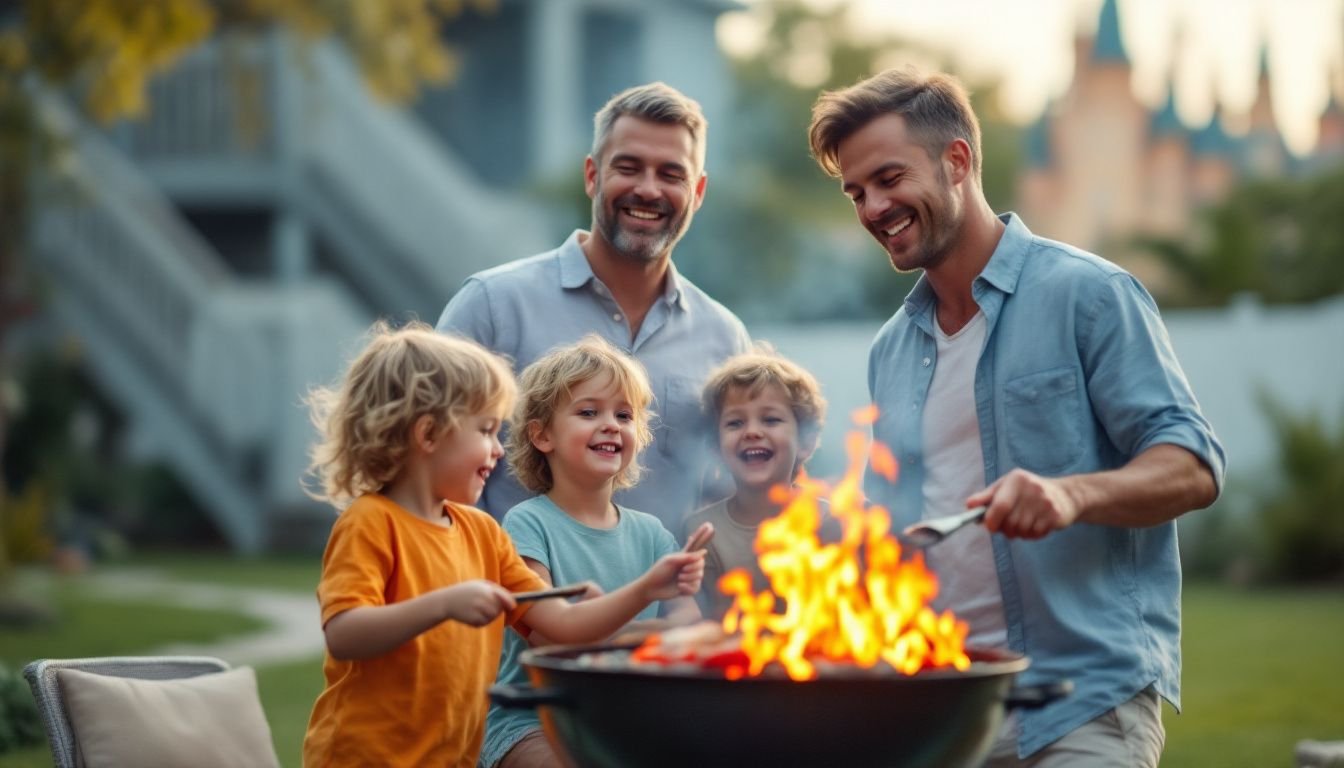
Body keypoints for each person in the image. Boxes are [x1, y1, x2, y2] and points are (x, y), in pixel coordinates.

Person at [807, 67, 1225, 767]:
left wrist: (1069, 493)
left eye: (888, 178)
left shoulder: (1088, 294)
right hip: (943, 707)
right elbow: (899, 531)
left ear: (958, 161)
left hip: (1079, 703)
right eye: (857, 192)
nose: (873, 206)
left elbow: (1192, 465)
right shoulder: (892, 350)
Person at [299, 322, 705, 767]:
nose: (497, 450)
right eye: (486, 430)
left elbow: (565, 625)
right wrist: (444, 604)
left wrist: (645, 589)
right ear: (429, 434)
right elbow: (343, 634)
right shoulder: (371, 522)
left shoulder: (483, 532)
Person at [437, 82, 751, 535]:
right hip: (518, 602)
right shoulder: (491, 306)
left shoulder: (725, 337)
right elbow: (433, 478)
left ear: (698, 191)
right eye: (628, 167)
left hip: (670, 606)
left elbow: (727, 499)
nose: (648, 189)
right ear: (592, 175)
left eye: (671, 174)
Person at [482, 335, 711, 768]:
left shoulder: (652, 534)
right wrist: (644, 603)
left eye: (623, 415)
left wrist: (604, 630)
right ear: (542, 435)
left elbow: (690, 635)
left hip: (627, 718)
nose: (610, 424)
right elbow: (552, 640)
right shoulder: (526, 524)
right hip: (535, 717)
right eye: (589, 412)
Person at [683, 346, 835, 620]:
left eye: (771, 419)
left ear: (806, 442)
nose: (752, 432)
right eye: (735, 423)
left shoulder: (833, 520)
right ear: (717, 448)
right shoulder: (703, 533)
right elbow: (714, 625)